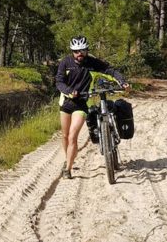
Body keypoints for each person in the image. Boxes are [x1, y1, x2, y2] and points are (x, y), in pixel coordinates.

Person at [55, 36, 129, 178]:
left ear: (87, 50)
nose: (79, 54)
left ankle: (68, 169)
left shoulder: (92, 63)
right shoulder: (65, 62)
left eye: (82, 50)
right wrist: (69, 91)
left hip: (82, 104)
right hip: (66, 102)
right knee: (64, 136)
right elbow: (59, 81)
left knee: (72, 136)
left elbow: (110, 70)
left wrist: (122, 81)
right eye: (76, 51)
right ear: (72, 51)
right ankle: (68, 160)